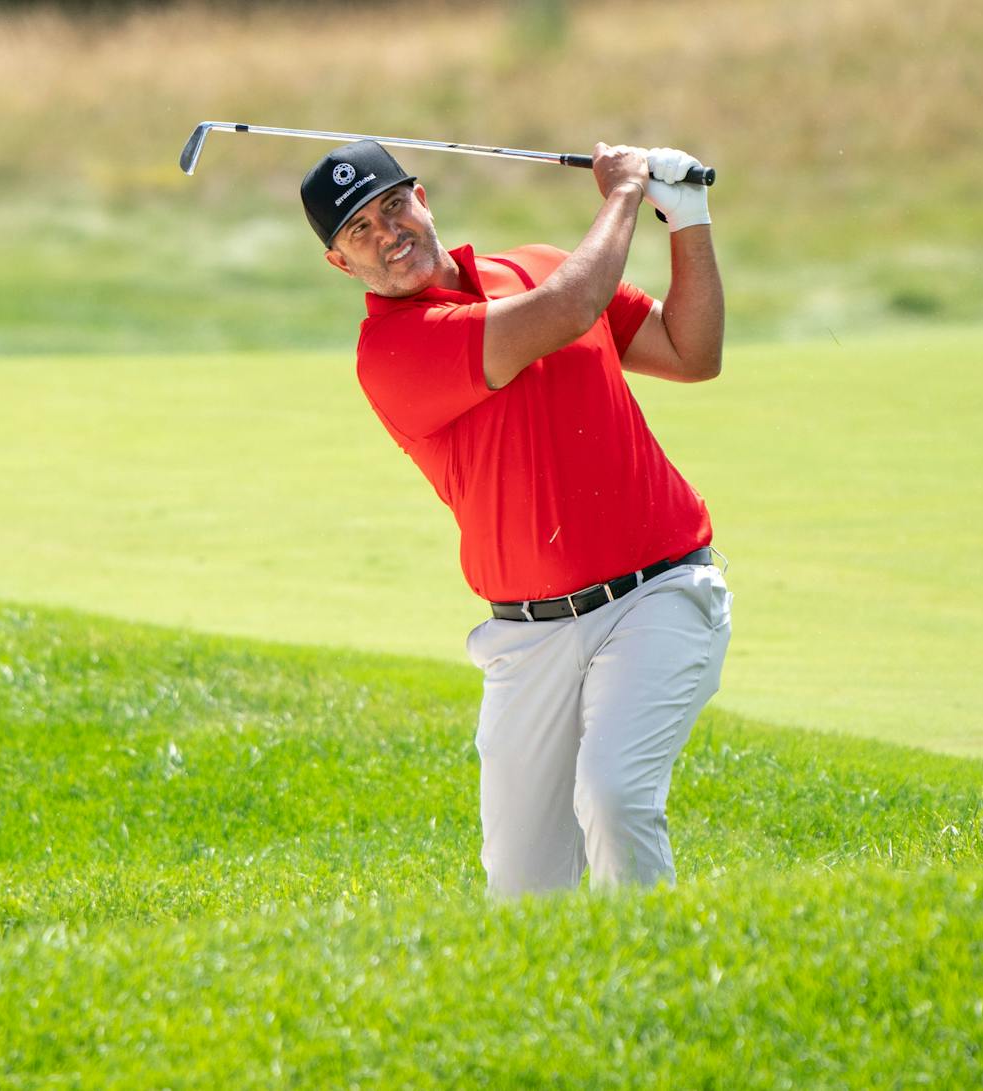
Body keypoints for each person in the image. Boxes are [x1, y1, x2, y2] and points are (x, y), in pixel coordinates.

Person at [300, 139, 732, 897]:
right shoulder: (393, 351)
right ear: (340, 263)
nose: (388, 233)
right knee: (525, 892)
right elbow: (569, 309)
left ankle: (662, 981)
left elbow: (692, 351)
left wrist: (687, 216)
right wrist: (626, 194)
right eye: (359, 230)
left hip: (659, 592)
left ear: (422, 197)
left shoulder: (535, 262)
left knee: (613, 793)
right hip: (526, 640)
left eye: (393, 205)